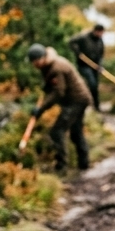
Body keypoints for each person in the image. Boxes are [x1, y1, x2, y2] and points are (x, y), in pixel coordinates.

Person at [27, 43, 93, 172]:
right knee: (76, 131)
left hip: (76, 101)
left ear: (41, 58)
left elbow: (58, 92)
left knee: (57, 131)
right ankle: (83, 164)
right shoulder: (48, 66)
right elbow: (52, 86)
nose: (34, 65)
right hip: (76, 100)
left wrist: (41, 108)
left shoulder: (57, 68)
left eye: (35, 62)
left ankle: (61, 166)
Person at [69, 23, 106, 108]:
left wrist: (100, 65)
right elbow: (71, 42)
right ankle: (89, 104)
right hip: (84, 65)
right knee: (92, 83)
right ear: (95, 31)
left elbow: (101, 54)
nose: (101, 34)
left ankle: (96, 105)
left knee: (95, 86)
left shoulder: (100, 41)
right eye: (100, 32)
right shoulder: (84, 37)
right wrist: (78, 53)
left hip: (95, 66)